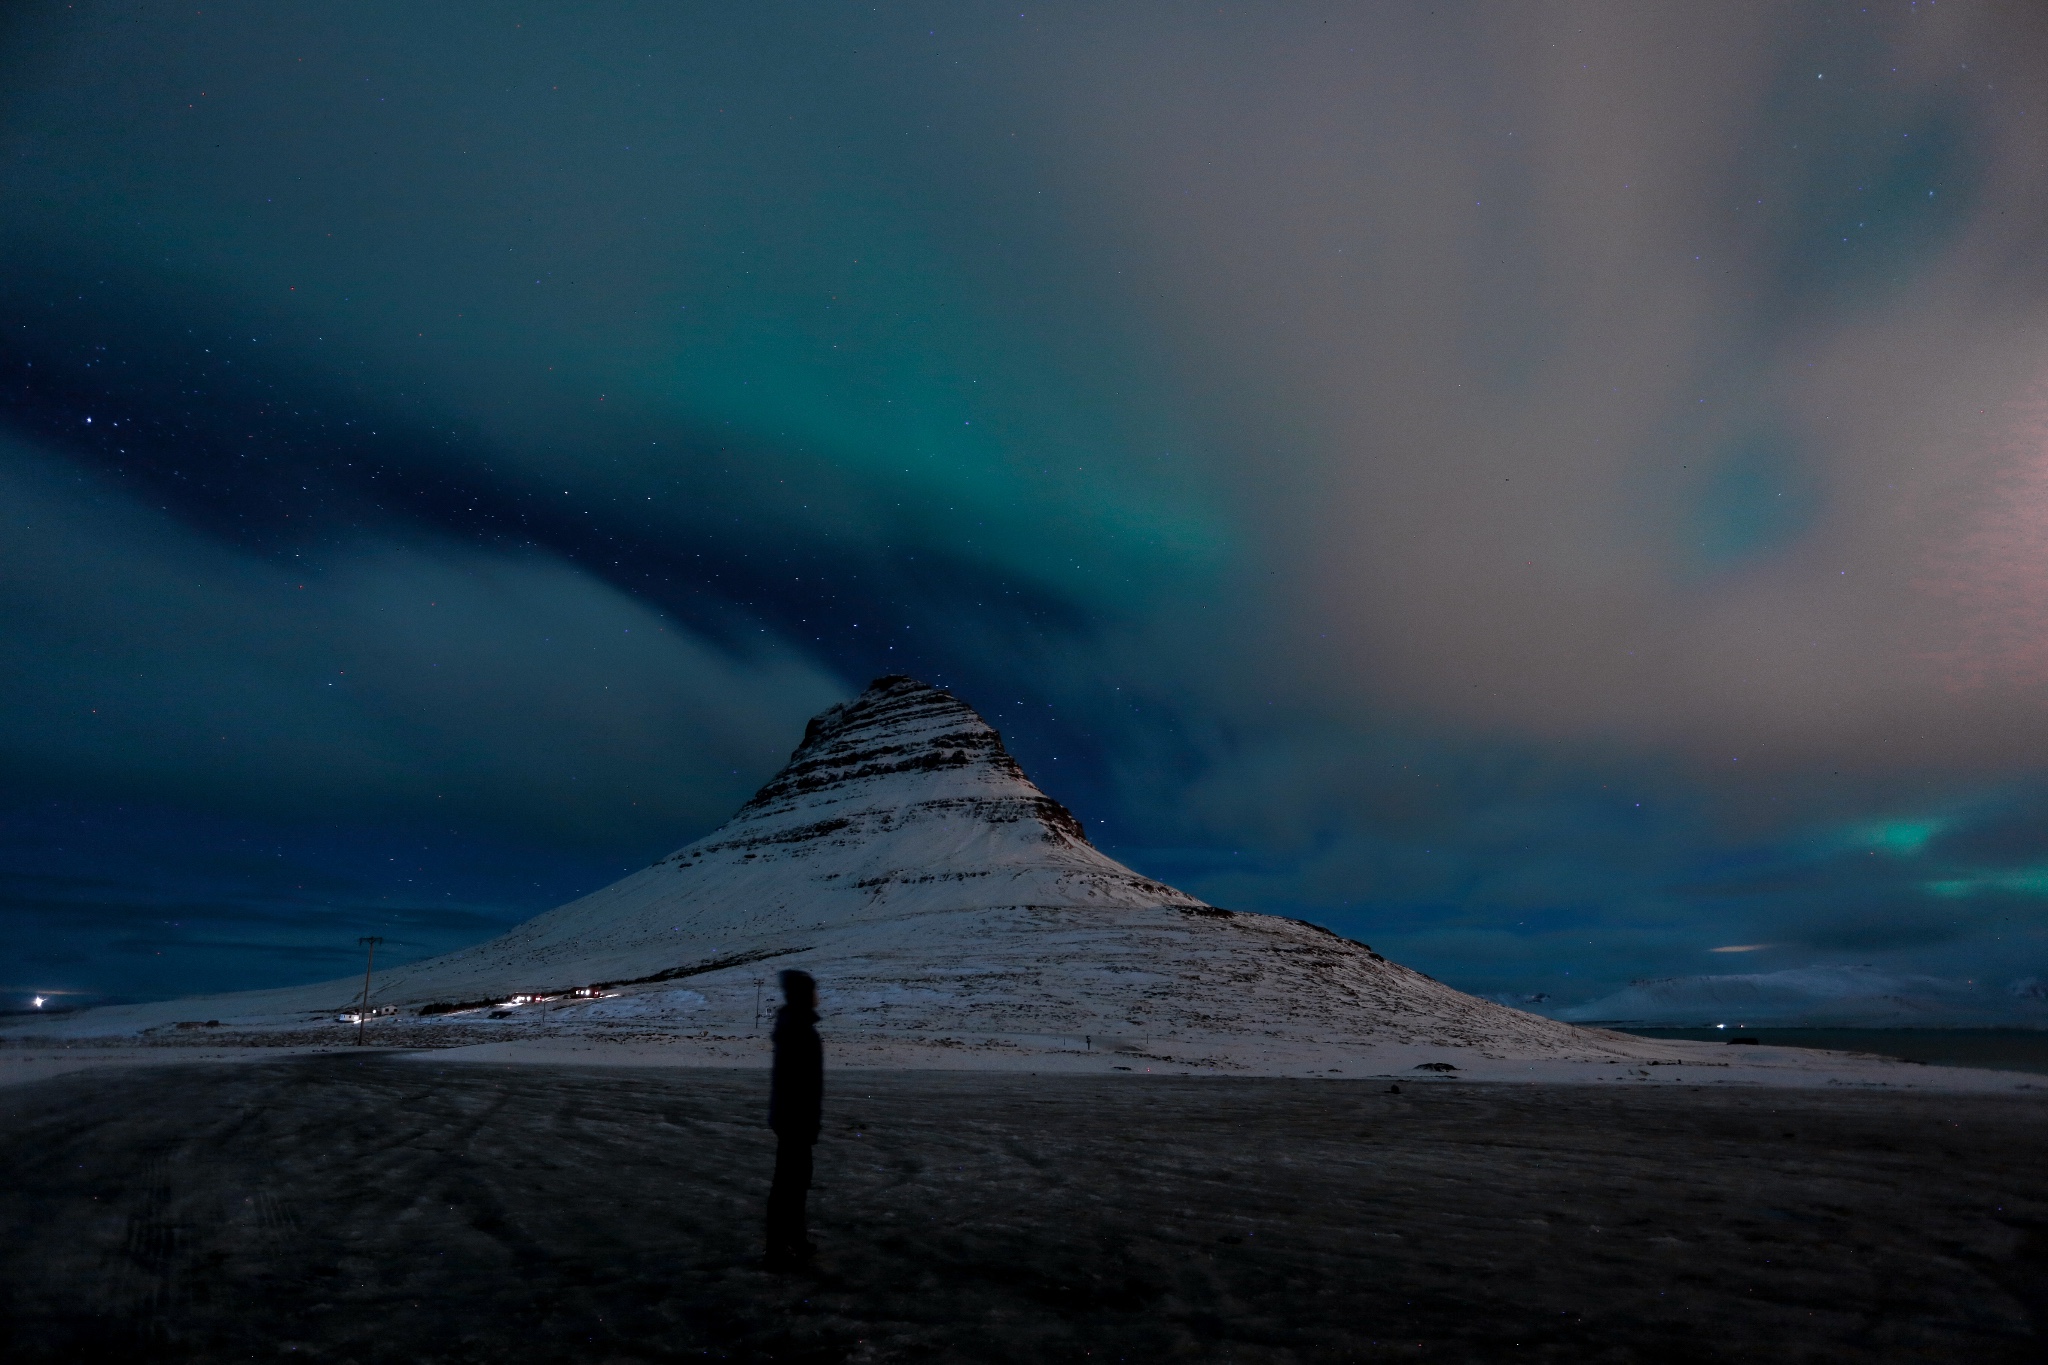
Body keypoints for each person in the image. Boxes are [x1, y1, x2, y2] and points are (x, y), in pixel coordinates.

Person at [765, 968, 822, 1267]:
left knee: (794, 1183)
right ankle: (778, 1247)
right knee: (790, 1183)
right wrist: (802, 1120)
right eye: (813, 990)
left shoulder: (797, 1026)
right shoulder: (798, 1029)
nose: (818, 996)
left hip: (794, 1118)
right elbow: (798, 1082)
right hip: (794, 1120)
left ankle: (792, 1239)